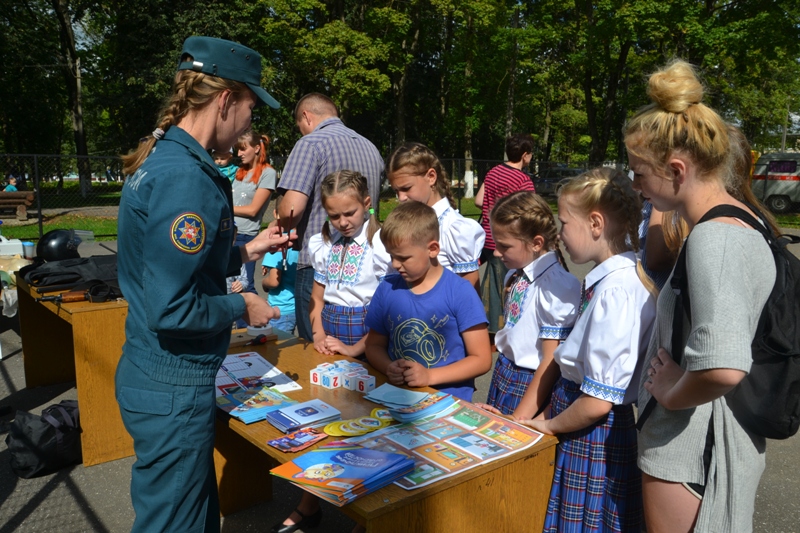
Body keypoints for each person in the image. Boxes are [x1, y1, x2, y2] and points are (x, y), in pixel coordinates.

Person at [114, 36, 287, 533]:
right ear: (226, 100)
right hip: (172, 380)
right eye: (251, 107)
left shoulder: (167, 158)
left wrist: (245, 251)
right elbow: (171, 306)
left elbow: (168, 261)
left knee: (191, 513)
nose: (252, 122)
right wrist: (241, 304)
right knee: (174, 522)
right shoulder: (186, 178)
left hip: (156, 371)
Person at [627, 60, 776, 533]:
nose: (636, 188)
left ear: (676, 169)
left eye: (639, 174)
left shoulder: (718, 237)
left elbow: (723, 366)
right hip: (696, 447)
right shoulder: (735, 222)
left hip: (690, 453)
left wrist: (671, 394)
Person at [522, 168, 657, 532]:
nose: (559, 234)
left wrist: (547, 425)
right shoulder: (615, 279)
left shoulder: (617, 291)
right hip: (584, 424)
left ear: (596, 223)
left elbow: (598, 400)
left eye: (564, 223)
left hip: (591, 432)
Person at [277, 93, 384, 343]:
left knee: (316, 349)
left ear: (306, 117)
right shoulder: (370, 146)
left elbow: (291, 209)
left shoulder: (310, 143)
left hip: (320, 260)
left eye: (299, 127)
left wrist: (279, 219)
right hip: (367, 262)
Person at [365, 200, 492, 400]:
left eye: (404, 257)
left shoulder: (460, 292)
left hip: (448, 404)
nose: (395, 264)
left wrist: (430, 376)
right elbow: (373, 346)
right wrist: (388, 366)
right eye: (391, 256)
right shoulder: (387, 289)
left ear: (433, 249)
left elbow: (482, 359)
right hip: (396, 398)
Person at [472, 191, 580, 418]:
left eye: (505, 246)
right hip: (505, 375)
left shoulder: (556, 287)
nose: (496, 252)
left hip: (531, 385)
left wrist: (519, 419)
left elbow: (550, 361)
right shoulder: (516, 273)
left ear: (536, 243)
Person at [309, 170, 389, 357]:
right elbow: (317, 298)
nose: (343, 222)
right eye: (334, 216)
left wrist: (354, 349)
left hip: (369, 341)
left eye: (350, 213)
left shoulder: (380, 244)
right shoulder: (324, 243)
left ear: (366, 203)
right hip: (328, 340)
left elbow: (387, 309)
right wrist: (319, 336)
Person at [386, 142, 485, 291]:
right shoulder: (402, 225)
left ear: (431, 177)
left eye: (406, 188)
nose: (401, 198)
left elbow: (469, 295)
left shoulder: (454, 229)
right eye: (396, 191)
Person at [474, 133, 536, 334]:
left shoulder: (493, 172)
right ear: (525, 155)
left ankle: (488, 322)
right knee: (508, 284)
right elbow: (531, 212)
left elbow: (478, 200)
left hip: (489, 237)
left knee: (492, 281)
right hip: (511, 240)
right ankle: (501, 326)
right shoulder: (523, 180)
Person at [233, 130, 276, 294]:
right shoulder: (238, 172)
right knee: (230, 283)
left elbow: (253, 210)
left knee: (245, 285)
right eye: (238, 149)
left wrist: (226, 208)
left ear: (257, 148)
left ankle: (256, 320)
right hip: (230, 234)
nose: (239, 153)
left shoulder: (268, 173)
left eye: (243, 149)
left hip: (245, 236)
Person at [262, 208, 300, 335]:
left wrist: (264, 282)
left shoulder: (277, 242)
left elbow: (273, 281)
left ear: (274, 212)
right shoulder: (298, 239)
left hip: (280, 309)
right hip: (295, 308)